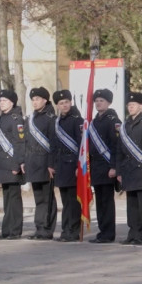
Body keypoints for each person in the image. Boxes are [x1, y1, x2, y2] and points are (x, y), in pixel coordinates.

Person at [116, 91, 142, 245]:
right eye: (129, 105)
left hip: (141, 171)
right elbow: (119, 150)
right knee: (131, 206)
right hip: (128, 171)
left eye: (133, 105)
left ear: (141, 106)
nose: (130, 107)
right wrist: (119, 171)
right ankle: (132, 233)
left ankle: (141, 235)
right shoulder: (124, 126)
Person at [87, 89, 121, 243]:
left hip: (107, 167)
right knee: (100, 202)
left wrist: (114, 167)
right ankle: (102, 232)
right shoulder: (94, 122)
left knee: (107, 203)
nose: (98, 103)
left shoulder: (112, 120)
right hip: (96, 168)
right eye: (96, 101)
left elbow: (116, 146)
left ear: (108, 102)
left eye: (101, 100)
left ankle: (108, 233)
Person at [50, 90, 84, 242]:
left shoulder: (78, 121)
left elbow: (82, 145)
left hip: (73, 165)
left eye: (66, 102)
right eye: (61, 103)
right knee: (65, 201)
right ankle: (65, 229)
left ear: (71, 103)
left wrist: (79, 165)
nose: (64, 105)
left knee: (73, 200)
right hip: (61, 166)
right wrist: (51, 165)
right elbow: (53, 145)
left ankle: (74, 230)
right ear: (57, 105)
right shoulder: (56, 122)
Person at [24, 87, 57, 240]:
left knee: (47, 197)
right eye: (33, 99)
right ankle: (39, 227)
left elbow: (53, 143)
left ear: (45, 100)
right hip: (33, 163)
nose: (34, 102)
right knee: (38, 198)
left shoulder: (51, 118)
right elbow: (26, 141)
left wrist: (51, 164)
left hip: (45, 163)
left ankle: (47, 228)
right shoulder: (30, 118)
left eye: (37, 99)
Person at [0, 89, 26, 239]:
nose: (2, 103)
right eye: (0, 101)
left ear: (12, 102)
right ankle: (7, 229)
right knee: (7, 199)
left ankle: (15, 229)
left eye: (5, 101)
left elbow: (19, 143)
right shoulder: (0, 119)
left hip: (12, 164)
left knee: (14, 199)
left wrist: (16, 164)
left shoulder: (16, 119)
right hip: (2, 165)